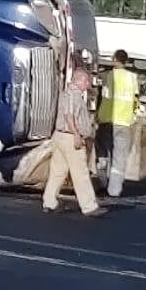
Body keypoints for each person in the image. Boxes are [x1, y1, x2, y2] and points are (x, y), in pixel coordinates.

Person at [42, 64, 102, 218]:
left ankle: (49, 202)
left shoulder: (66, 94)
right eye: (86, 82)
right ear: (79, 80)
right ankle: (89, 206)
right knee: (80, 171)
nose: (88, 85)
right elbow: (70, 115)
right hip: (70, 137)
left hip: (60, 136)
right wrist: (76, 134)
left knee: (58, 171)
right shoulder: (72, 95)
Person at [97, 48, 139, 199]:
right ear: (126, 61)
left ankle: (102, 183)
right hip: (124, 122)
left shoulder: (109, 76)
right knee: (119, 157)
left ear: (114, 60)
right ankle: (114, 190)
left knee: (103, 153)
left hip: (107, 120)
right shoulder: (133, 78)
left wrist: (98, 116)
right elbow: (136, 102)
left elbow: (104, 98)